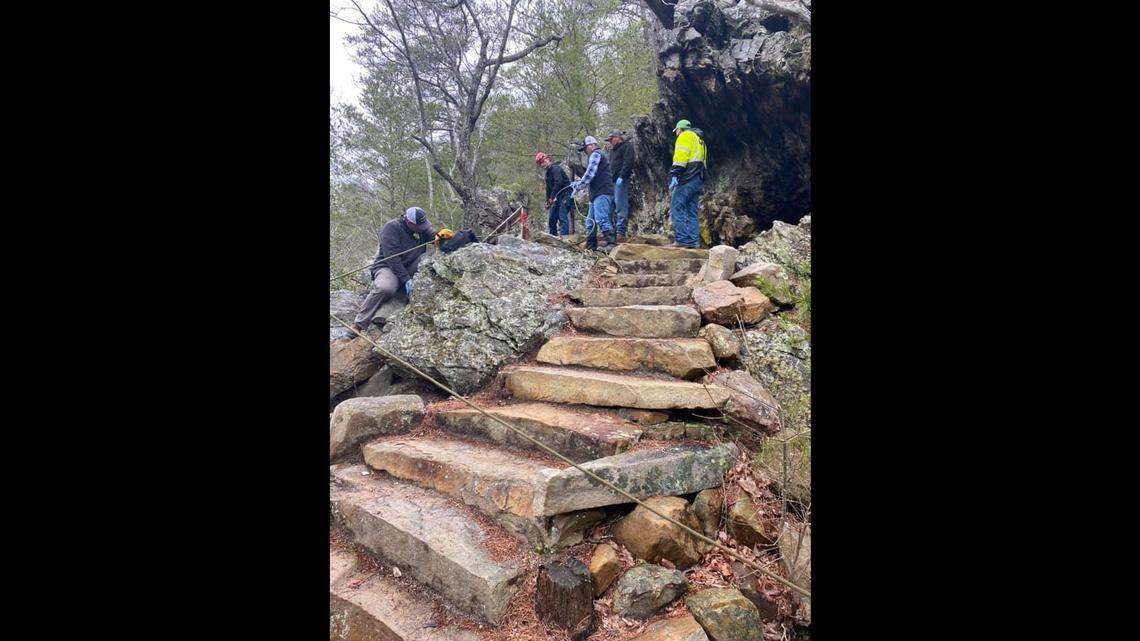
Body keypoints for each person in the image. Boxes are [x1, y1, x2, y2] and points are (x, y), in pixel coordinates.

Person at [352, 206, 444, 332]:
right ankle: (359, 324)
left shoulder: (421, 228)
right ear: (409, 222)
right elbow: (392, 258)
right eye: (418, 226)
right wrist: (406, 279)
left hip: (411, 265)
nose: (422, 229)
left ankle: (390, 311)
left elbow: (434, 236)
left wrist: (444, 236)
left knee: (428, 260)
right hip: (388, 266)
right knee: (386, 288)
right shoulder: (391, 228)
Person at [569, 136, 617, 251]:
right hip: (596, 194)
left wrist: (577, 187)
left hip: (603, 192)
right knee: (590, 222)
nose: (585, 152)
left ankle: (611, 244)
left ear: (591, 145)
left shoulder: (596, 154)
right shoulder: (596, 155)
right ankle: (591, 247)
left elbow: (589, 174)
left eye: (585, 149)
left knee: (601, 218)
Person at [668, 119, 707, 248]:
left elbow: (681, 157)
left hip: (687, 178)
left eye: (676, 131)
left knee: (676, 207)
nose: (676, 134)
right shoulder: (700, 140)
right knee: (691, 211)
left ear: (680, 129)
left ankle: (682, 239)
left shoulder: (685, 136)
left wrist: (674, 174)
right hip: (698, 179)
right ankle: (694, 241)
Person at [605, 130, 635, 242]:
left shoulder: (627, 146)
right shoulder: (612, 151)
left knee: (620, 205)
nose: (610, 142)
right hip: (611, 182)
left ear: (618, 137)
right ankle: (610, 232)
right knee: (610, 207)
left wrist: (622, 176)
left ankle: (620, 232)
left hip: (621, 180)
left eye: (611, 139)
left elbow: (629, 162)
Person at [535, 151, 571, 236]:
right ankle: (552, 238)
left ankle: (564, 239)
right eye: (541, 163)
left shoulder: (556, 168)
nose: (543, 164)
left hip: (565, 194)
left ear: (547, 159)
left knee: (562, 217)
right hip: (557, 197)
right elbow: (548, 189)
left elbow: (558, 182)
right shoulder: (547, 174)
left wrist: (551, 197)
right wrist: (547, 201)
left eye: (543, 161)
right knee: (552, 219)